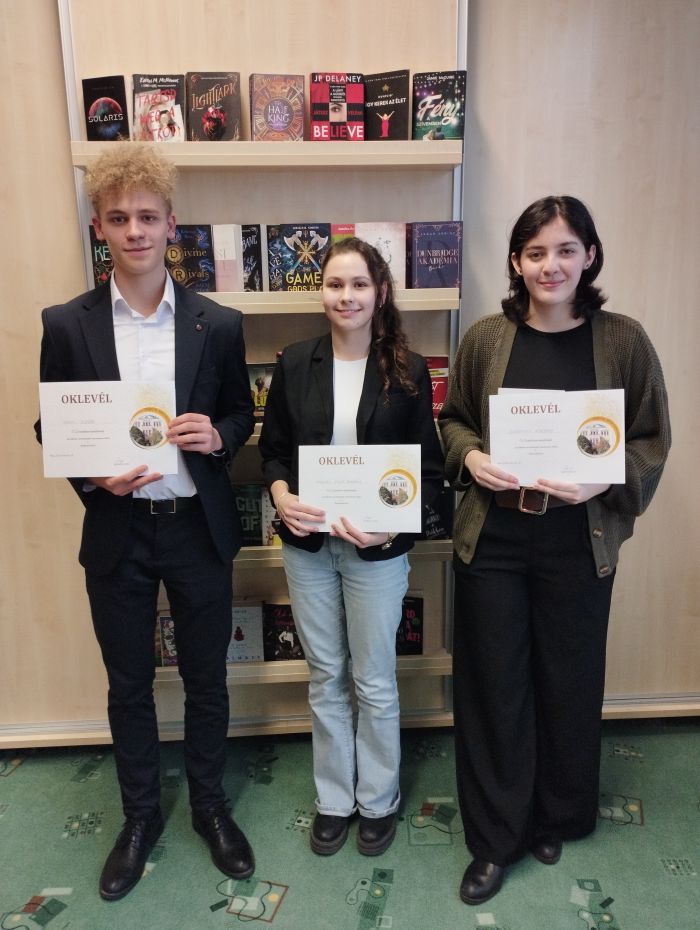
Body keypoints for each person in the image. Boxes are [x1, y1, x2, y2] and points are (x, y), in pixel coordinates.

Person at [34, 144, 256, 900]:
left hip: (196, 527)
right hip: (117, 529)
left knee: (205, 680)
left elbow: (241, 415)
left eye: (148, 217)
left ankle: (210, 807)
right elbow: (52, 429)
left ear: (171, 224)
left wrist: (217, 436)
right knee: (128, 683)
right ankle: (139, 817)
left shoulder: (216, 323)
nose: (135, 230)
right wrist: (91, 474)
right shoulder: (66, 325)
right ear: (100, 226)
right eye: (119, 217)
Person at [438, 195, 671, 905]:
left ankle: (554, 814)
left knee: (567, 681)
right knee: (494, 686)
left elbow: (651, 439)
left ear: (589, 256)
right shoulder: (486, 338)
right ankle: (495, 838)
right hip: (496, 538)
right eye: (535, 252)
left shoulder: (623, 340)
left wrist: (603, 479)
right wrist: (471, 458)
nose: (551, 265)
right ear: (516, 261)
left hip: (578, 540)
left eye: (566, 250)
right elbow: (454, 421)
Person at [259, 237, 444, 857]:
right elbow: (273, 451)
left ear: (380, 292)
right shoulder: (294, 362)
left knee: (375, 680)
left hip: (377, 550)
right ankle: (336, 799)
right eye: (335, 284)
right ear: (321, 292)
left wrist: (393, 527)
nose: (347, 296)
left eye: (359, 284)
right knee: (326, 676)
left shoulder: (407, 370)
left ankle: (379, 799)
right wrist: (281, 494)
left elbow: (429, 471)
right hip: (308, 545)